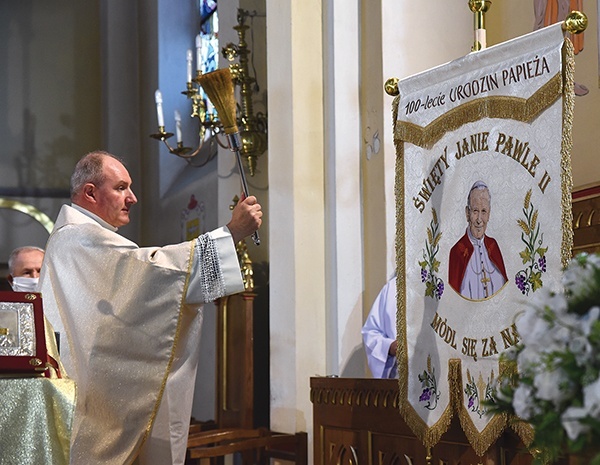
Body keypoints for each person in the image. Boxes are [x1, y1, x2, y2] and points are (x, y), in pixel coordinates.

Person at [39, 151, 262, 465]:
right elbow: (154, 273)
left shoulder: (78, 239)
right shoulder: (80, 239)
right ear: (90, 192)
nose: (133, 197)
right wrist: (231, 233)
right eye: (121, 188)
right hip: (88, 402)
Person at [448, 181, 507, 300]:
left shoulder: (493, 246)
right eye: (475, 211)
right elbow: (452, 301)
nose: (479, 219)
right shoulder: (457, 251)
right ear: (467, 213)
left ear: (489, 214)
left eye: (483, 211)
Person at [361, 275, 398, 379]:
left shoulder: (439, 286)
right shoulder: (393, 288)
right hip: (399, 378)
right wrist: (389, 346)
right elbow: (371, 332)